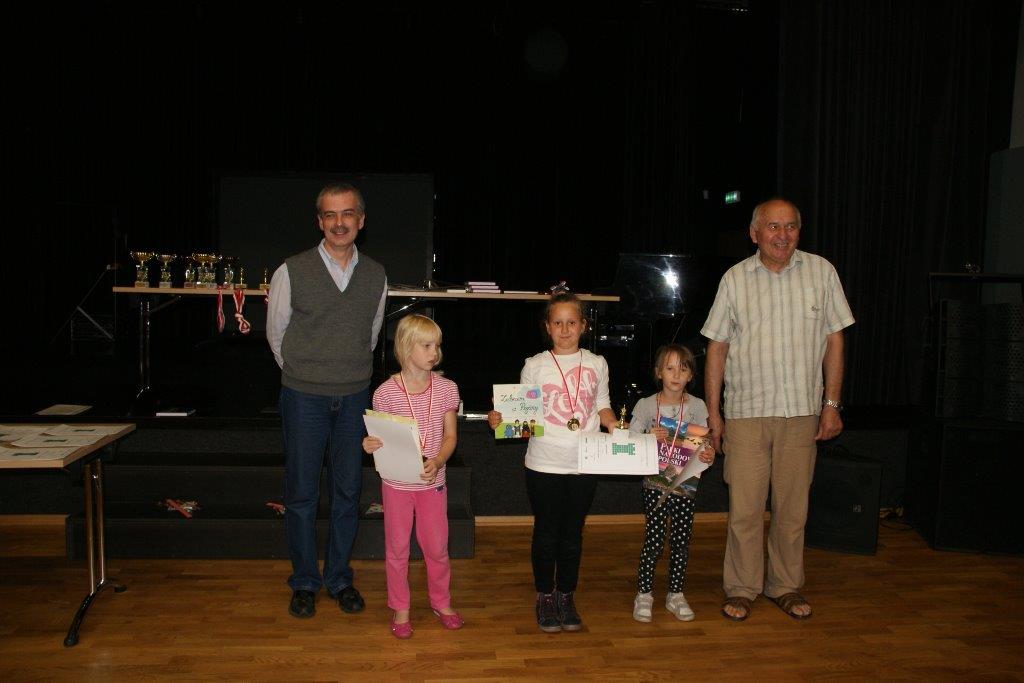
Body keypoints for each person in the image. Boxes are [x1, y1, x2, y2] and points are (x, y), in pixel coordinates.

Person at [701, 198, 854, 621]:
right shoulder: (735, 279)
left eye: (790, 227)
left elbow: (835, 341)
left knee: (792, 509)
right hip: (747, 414)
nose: (782, 235)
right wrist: (714, 414)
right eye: (773, 227)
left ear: (799, 232)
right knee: (745, 511)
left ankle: (785, 585)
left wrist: (831, 405)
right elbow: (717, 347)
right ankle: (742, 588)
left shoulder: (822, 272)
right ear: (754, 234)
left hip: (802, 414)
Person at [266, 182, 388, 619]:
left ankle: (338, 578)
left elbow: (371, 334)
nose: (339, 223)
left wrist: (345, 371)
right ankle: (304, 581)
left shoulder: (376, 274)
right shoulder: (291, 270)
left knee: (347, 491)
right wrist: (308, 372)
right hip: (304, 397)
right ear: (319, 222)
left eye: (347, 213)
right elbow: (276, 335)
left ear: (361, 220)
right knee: (301, 493)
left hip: (354, 397)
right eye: (330, 215)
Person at [487, 293, 618, 633]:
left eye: (571, 322)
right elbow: (522, 416)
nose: (565, 329)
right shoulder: (534, 365)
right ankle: (545, 595)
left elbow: (602, 404)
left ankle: (566, 594)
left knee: (573, 533)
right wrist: (501, 419)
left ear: (583, 326)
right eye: (557, 322)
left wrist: (615, 425)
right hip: (543, 463)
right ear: (547, 327)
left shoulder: (597, 363)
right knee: (546, 532)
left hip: (585, 462)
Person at [363, 314, 463, 639]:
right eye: (427, 346)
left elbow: (450, 437)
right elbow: (380, 439)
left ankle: (441, 602)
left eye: (438, 345)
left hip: (432, 482)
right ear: (406, 348)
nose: (435, 352)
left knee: (437, 547)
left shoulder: (446, 389)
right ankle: (401, 607)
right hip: (396, 485)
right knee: (396, 549)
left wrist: (439, 459)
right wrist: (370, 444)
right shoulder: (385, 393)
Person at [628, 344, 715, 623]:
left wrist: (708, 454)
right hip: (655, 484)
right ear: (658, 373)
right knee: (653, 540)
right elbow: (631, 439)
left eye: (683, 368)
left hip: (686, 484)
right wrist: (646, 437)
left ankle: (675, 594)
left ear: (691, 375)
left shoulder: (698, 406)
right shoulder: (645, 405)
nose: (676, 374)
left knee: (681, 540)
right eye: (670, 368)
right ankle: (644, 593)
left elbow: (705, 446)